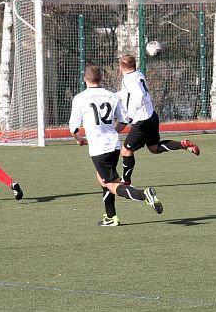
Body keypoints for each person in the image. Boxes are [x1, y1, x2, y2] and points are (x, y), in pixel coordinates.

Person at [68, 64, 163, 227]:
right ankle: (111, 217)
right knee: (103, 178)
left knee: (112, 184)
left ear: (85, 79)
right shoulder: (111, 96)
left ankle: (144, 195)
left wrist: (79, 139)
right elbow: (124, 120)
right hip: (114, 145)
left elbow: (73, 128)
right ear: (101, 78)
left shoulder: (80, 98)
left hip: (99, 148)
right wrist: (113, 131)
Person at [116, 54, 200, 186]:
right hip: (151, 116)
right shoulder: (138, 74)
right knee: (154, 148)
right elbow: (128, 93)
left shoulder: (128, 79)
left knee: (126, 151)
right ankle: (182, 145)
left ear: (121, 67)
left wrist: (131, 114)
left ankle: (126, 181)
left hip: (141, 121)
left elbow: (139, 94)